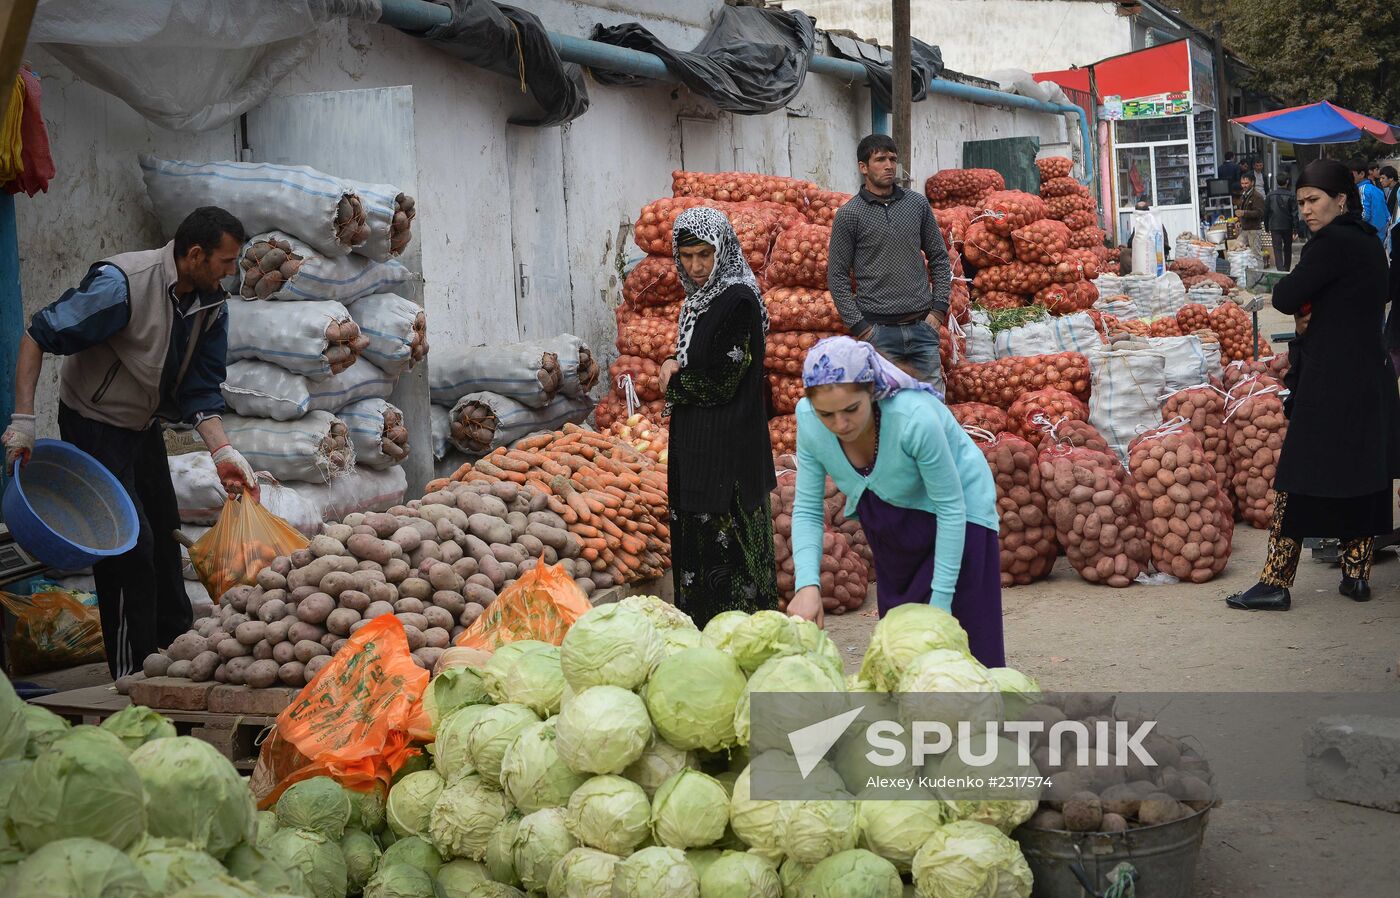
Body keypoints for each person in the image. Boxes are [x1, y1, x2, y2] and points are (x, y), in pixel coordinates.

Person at [2, 207, 259, 678]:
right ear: (195, 255)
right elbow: (39, 333)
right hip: (94, 422)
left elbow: (201, 391)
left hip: (142, 425)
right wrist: (23, 420)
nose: (231, 272)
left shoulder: (210, 304)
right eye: (225, 262)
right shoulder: (121, 284)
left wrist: (223, 453)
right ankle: (131, 675)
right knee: (128, 546)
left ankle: (174, 658)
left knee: (164, 538)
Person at [1227, 160, 1400, 611]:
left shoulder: (1330, 243)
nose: (1305, 210)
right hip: (1371, 378)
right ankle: (1356, 574)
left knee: (1297, 477)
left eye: (1313, 200)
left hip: (1332, 384)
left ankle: (1276, 582)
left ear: (1340, 199)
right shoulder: (1368, 241)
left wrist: (1306, 316)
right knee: (1364, 475)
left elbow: (1283, 297)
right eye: (1301, 201)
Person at [785, 336, 1004, 666]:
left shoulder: (914, 417)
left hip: (960, 515)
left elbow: (950, 506)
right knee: (902, 645)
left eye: (851, 409)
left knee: (967, 643)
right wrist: (807, 585)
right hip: (891, 515)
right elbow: (808, 508)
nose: (840, 425)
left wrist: (941, 606)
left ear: (871, 392)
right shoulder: (808, 421)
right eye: (826, 414)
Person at [657, 206, 777, 628]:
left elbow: (722, 381)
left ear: (722, 249)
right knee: (699, 550)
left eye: (705, 255)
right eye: (687, 256)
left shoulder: (737, 300)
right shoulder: (697, 302)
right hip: (698, 447)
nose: (696, 265)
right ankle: (705, 638)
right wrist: (676, 362)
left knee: (730, 556)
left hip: (729, 449)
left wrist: (672, 382)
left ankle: (743, 640)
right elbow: (697, 360)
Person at [828, 133, 953, 395]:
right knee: (885, 408)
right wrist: (862, 329)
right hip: (878, 334)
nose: (889, 165)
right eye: (880, 159)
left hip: (922, 327)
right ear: (863, 167)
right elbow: (837, 277)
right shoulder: (849, 215)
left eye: (892, 159)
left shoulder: (916, 204)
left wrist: (938, 310)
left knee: (933, 404)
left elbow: (939, 258)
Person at [1350, 157, 1391, 249]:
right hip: (1381, 234)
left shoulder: (1362, 190)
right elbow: (1387, 214)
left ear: (1361, 174)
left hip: (1370, 234)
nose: (1349, 177)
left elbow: (1364, 215)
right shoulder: (1376, 189)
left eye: (1351, 174)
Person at [1265, 175, 1300, 271]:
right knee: (1288, 248)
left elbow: (1266, 212)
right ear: (1287, 181)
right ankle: (1287, 268)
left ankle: (1280, 270)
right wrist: (1296, 228)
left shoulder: (1270, 195)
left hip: (1274, 225)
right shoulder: (1291, 195)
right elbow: (1294, 213)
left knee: (1277, 248)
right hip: (1287, 225)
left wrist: (1266, 226)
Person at [1237, 172, 1265, 256]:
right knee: (1237, 248)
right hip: (1244, 229)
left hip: (1254, 230)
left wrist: (1244, 213)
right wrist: (1239, 221)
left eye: (1246, 183)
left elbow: (1260, 213)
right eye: (1242, 183)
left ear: (1252, 183)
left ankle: (1258, 269)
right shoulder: (1243, 195)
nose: (1244, 185)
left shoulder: (1257, 196)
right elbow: (1241, 210)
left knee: (1256, 254)